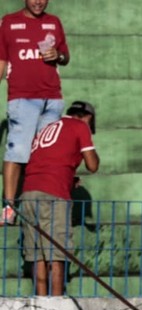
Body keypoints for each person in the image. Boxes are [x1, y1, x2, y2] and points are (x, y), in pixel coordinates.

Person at [0, 0, 70, 225]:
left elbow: (65, 57)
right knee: (18, 152)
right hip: (23, 98)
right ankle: (9, 207)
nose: (39, 2)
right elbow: (1, 60)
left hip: (53, 99)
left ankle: (39, 207)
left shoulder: (54, 22)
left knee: (44, 156)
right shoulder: (9, 22)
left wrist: (57, 55)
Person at [19, 100, 98, 296]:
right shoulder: (80, 126)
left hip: (29, 192)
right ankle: (56, 301)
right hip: (53, 193)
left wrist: (69, 177)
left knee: (37, 254)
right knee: (57, 253)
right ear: (88, 117)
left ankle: (41, 301)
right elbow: (92, 165)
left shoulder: (48, 126)